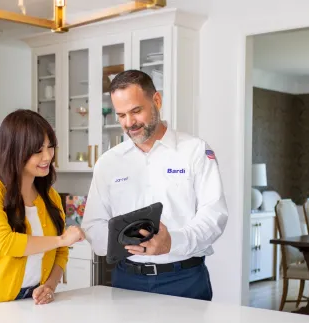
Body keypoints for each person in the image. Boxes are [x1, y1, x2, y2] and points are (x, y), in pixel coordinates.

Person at [81, 70, 228, 301]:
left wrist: (172, 242)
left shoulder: (195, 151)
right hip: (126, 280)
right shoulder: (108, 163)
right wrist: (121, 244)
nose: (129, 123)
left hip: (185, 279)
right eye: (121, 115)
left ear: (156, 101)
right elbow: (92, 224)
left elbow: (214, 216)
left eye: (136, 111)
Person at [0, 109, 85, 308]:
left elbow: (61, 252)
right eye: (37, 150)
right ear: (15, 149)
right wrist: (62, 238)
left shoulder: (50, 196)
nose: (47, 156)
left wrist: (50, 286)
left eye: (50, 147)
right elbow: (4, 243)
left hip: (32, 303)